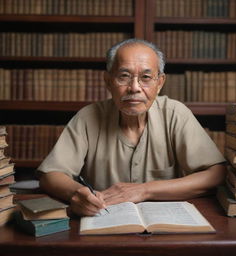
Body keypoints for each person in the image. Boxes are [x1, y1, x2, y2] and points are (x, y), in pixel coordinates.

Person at [37, 38, 226, 216]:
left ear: (159, 83)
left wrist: (144, 190)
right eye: (124, 76)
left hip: (164, 224)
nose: (134, 88)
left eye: (145, 77)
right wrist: (76, 193)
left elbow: (216, 174)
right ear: (108, 81)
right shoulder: (88, 117)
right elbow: (50, 175)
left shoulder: (175, 113)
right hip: (104, 219)